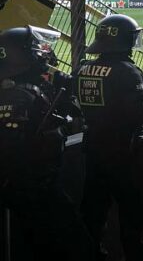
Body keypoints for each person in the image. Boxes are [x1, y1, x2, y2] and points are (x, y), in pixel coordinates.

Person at [0, 26, 95, 261]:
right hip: (31, 186)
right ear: (22, 56)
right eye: (36, 49)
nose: (43, 53)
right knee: (73, 241)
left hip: (31, 183)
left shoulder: (23, 86)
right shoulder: (18, 95)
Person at [75, 14, 143, 261]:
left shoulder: (83, 68)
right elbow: (139, 114)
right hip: (125, 152)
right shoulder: (127, 71)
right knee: (134, 213)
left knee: (93, 212)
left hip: (94, 148)